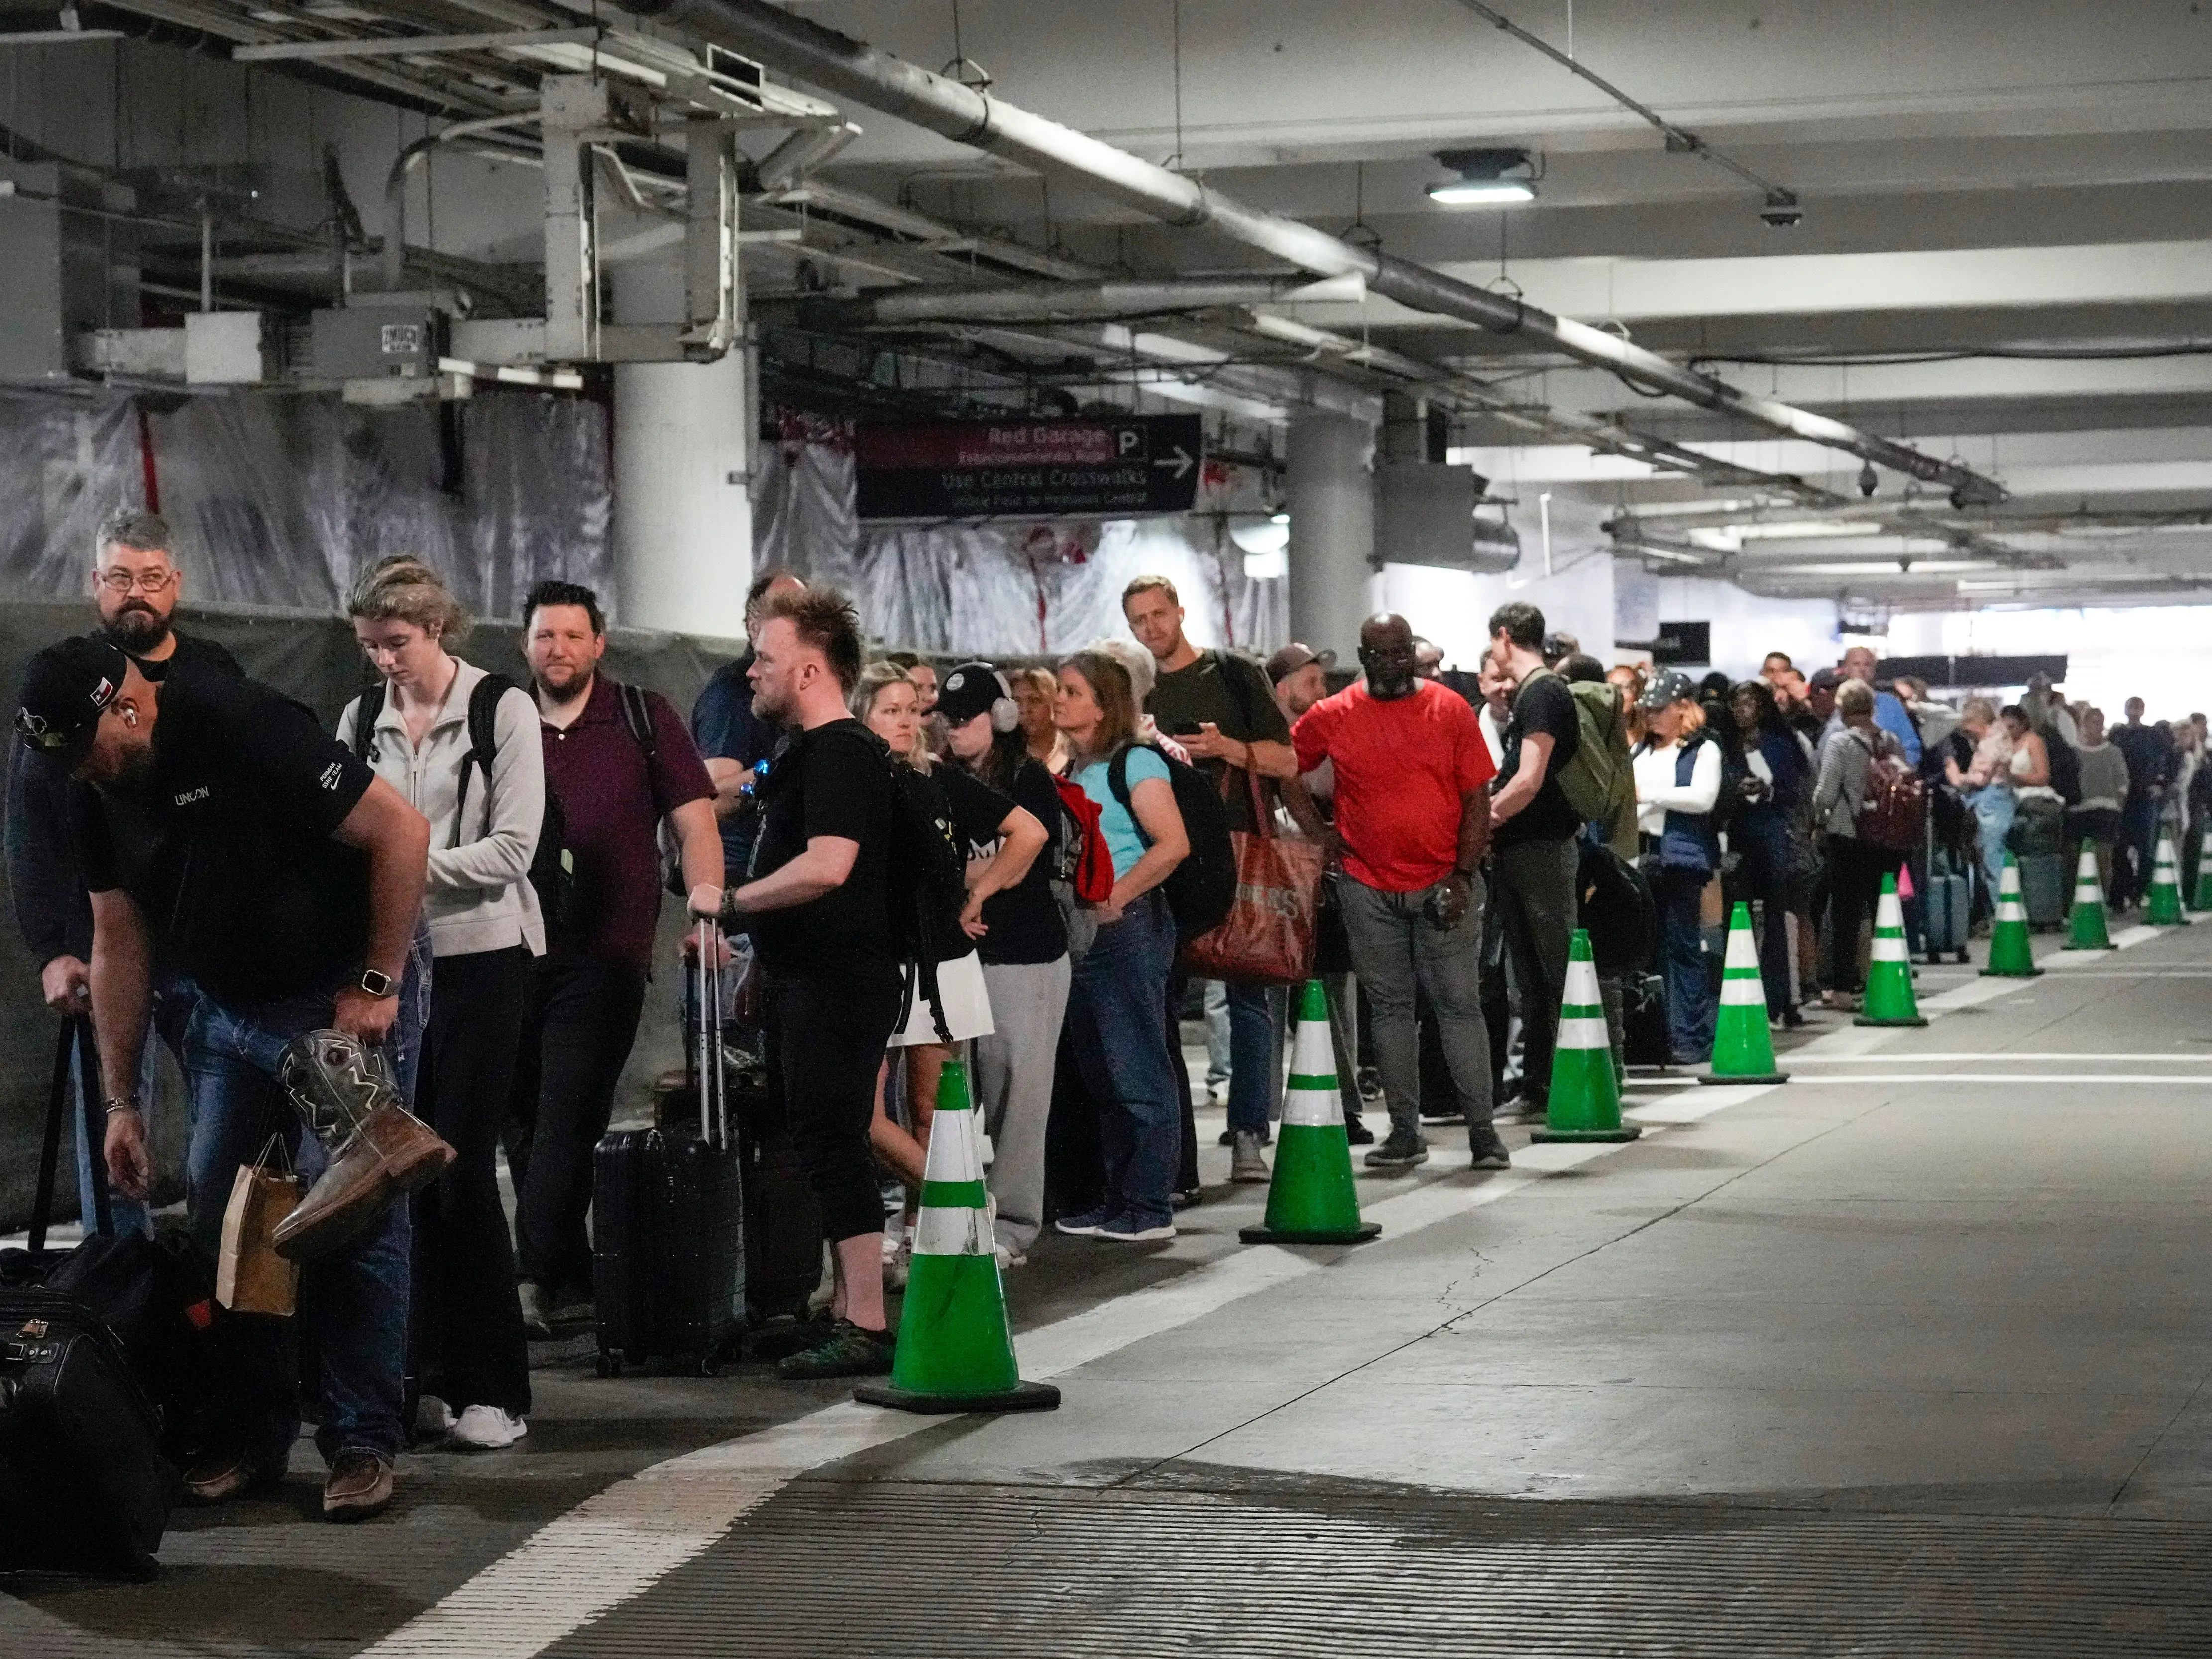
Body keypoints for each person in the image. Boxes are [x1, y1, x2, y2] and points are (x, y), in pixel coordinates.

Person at [23, 635, 433, 1520]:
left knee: (356, 1210)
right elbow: (119, 942)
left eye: (83, 747)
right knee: (225, 1221)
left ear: (126, 708)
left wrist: (375, 983)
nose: (78, 773)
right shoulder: (89, 789)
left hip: (341, 987)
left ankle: (362, 1439)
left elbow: (403, 830)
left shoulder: (244, 724)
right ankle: (253, 1434)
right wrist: (123, 1101)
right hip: (227, 1008)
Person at [340, 557, 540, 1451]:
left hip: (482, 961)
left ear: (437, 631)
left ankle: (493, 1386)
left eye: (398, 643)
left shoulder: (502, 710)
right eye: (371, 646)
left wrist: (403, 865)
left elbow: (512, 849)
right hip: (397, 966)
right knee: (395, 1179)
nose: (385, 661)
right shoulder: (358, 720)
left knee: (458, 1172)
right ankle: (409, 1376)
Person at [5, 505, 241, 1238]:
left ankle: (219, 1281)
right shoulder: (63, 684)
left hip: (206, 948)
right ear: (94, 584)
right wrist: (55, 949)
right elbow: (32, 831)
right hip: (104, 945)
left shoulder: (213, 675)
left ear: (175, 583)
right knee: (113, 1125)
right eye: (119, 578)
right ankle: (119, 1295)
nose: (134, 593)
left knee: (230, 1128)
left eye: (149, 578)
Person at [504, 581, 722, 1337]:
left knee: (567, 1112)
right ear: (525, 645)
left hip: (605, 955)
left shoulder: (642, 715)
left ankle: (527, 1280)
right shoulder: (500, 718)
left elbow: (695, 823)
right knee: (524, 1123)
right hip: (509, 949)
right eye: (544, 636)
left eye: (571, 635)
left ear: (600, 644)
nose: (557, 648)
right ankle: (573, 1278)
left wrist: (707, 898)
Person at [727, 591, 906, 1376]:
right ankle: (843, 1309)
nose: (752, 672)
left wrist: (728, 902)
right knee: (823, 1137)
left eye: (764, 659)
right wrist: (763, 964)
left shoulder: (840, 752)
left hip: (842, 982)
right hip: (806, 977)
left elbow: (829, 866)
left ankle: (865, 1320)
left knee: (836, 1141)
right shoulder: (807, 751)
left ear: (806, 668)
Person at [1288, 615, 1505, 1171]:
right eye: (1379, 654)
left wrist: (1462, 873)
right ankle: (1405, 1131)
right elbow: (1284, 764)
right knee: (1389, 1010)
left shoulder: (1449, 709)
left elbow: (1477, 796)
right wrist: (1316, 832)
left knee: (1458, 1006)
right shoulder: (1333, 714)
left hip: (1442, 882)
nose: (1391, 663)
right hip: (1367, 883)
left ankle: (1483, 1132)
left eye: (1399, 652)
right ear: (1364, 655)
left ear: (1410, 652)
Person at [1121, 575, 1294, 1186]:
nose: (1151, 628)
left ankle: (1249, 1133)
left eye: (1158, 614)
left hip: (1237, 854)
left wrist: (1229, 748)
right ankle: (1173, 1155)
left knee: (1247, 995)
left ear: (1180, 611)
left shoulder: (1233, 673)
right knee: (1159, 1005)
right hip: (1163, 864)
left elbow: (1287, 759)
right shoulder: (1134, 689)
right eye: (1139, 619)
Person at [1052, 649, 1190, 1242]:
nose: (1059, 700)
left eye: (1072, 691)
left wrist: (1119, 896)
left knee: (1137, 1069)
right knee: (1102, 1074)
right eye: (1059, 689)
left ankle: (1149, 1205)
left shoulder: (1136, 763)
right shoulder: (1073, 768)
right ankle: (1118, 1198)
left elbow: (1172, 843)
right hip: (1086, 933)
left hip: (1128, 929)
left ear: (1104, 704)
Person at [938, 663, 1065, 1264]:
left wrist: (974, 885)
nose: (954, 730)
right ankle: (957, 1212)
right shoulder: (942, 780)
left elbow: (1030, 856)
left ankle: (1013, 1222)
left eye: (966, 720)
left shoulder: (1028, 779)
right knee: (954, 1093)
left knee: (1019, 1098)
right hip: (966, 956)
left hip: (1024, 956)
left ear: (1001, 717)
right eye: (948, 720)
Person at [1267, 641, 1369, 1145]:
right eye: (1311, 681)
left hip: (1324, 885)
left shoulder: (1325, 739)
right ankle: (1264, 1109)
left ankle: (1345, 1105)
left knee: (1333, 994)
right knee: (1267, 997)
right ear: (1282, 690)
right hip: (1283, 884)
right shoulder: (1267, 749)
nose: (1322, 690)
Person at [1484, 603, 1581, 1118]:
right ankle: (1540, 1085)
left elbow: (1527, 780)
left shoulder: (1542, 692)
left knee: (1552, 969)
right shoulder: (1535, 692)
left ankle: (1569, 1079)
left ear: (1504, 638)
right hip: (1525, 847)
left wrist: (1483, 821)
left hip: (1539, 847)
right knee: (1532, 975)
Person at [691, 566, 807, 884]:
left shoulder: (794, 694)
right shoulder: (732, 694)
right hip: (740, 883)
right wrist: (774, 771)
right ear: (753, 626)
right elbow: (713, 801)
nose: (798, 620)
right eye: (783, 609)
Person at [1632, 672, 1723, 1062]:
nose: (1651, 717)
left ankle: (1691, 1035)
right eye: (1647, 709)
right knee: (1647, 950)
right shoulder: (1640, 751)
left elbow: (1703, 798)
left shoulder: (1704, 750)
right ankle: (1655, 1036)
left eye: (1660, 709)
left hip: (1682, 858)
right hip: (1642, 855)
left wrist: (1648, 797)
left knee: (1683, 946)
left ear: (1683, 707)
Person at [1724, 679, 1811, 1028]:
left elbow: (1793, 790)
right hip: (1738, 833)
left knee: (1777, 915)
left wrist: (1768, 790)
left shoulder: (1779, 742)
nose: (1740, 711)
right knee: (1739, 915)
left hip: (1771, 830)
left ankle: (1778, 999)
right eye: (1736, 704)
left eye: (1748, 703)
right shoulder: (1726, 742)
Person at [1811, 680, 1901, 1012]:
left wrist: (1817, 817)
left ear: (1843, 708)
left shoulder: (1841, 742)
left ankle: (1842, 989)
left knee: (1846, 914)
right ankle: (1890, 977)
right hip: (1887, 838)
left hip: (1848, 836)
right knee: (1884, 911)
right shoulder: (1889, 740)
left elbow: (1825, 793)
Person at [1944, 698, 2015, 900]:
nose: (1966, 732)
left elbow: (1982, 779)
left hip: (1990, 802)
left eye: (1969, 727)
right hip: (2001, 798)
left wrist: (1957, 776)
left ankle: (2004, 911)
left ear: (1978, 723)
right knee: (1994, 855)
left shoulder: (1988, 744)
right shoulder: (2000, 738)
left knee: (1992, 857)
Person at [2109, 698, 2174, 910]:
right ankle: (2125, 889)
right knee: (2119, 848)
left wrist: (2161, 784)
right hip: (2123, 798)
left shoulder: (2153, 735)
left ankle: (2140, 890)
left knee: (2146, 848)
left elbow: (2170, 759)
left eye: (2137, 708)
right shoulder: (2117, 736)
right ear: (2126, 710)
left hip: (2145, 797)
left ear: (2143, 711)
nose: (2134, 712)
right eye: (2131, 707)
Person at [2066, 706, 2128, 896]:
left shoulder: (2113, 752)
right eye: (2093, 722)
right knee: (2075, 858)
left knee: (2103, 857)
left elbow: (2123, 782)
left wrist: (2118, 805)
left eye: (2100, 723)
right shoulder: (2073, 752)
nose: (2098, 727)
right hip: (2078, 811)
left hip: (2106, 811)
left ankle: (2103, 898)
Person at [1826, 645, 1923, 766]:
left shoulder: (1890, 704)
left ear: (1874, 670)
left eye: (1867, 665)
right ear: (1845, 668)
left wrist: (1902, 770)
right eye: (1856, 664)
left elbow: (1911, 746)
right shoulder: (1833, 702)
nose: (1862, 669)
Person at [1010, 665, 1069, 772]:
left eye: (1034, 700)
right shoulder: (1006, 755)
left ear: (1054, 704)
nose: (1024, 709)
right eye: (1017, 701)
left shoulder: (1072, 751)